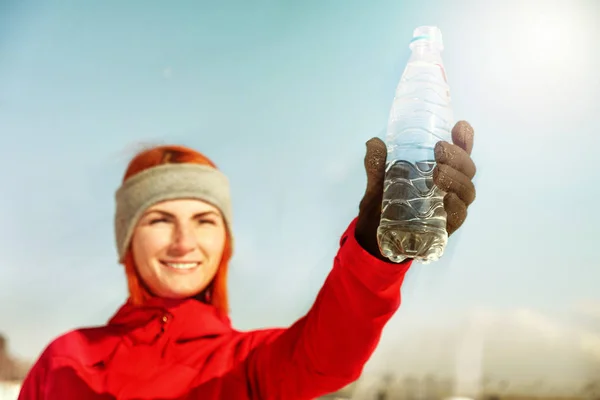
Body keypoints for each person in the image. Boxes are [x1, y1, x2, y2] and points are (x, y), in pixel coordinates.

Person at [18, 121, 477, 400]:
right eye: (159, 220)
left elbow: (330, 355)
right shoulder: (65, 361)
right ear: (127, 239)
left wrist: (375, 248)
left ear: (225, 242)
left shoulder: (248, 366)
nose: (184, 242)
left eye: (204, 220)